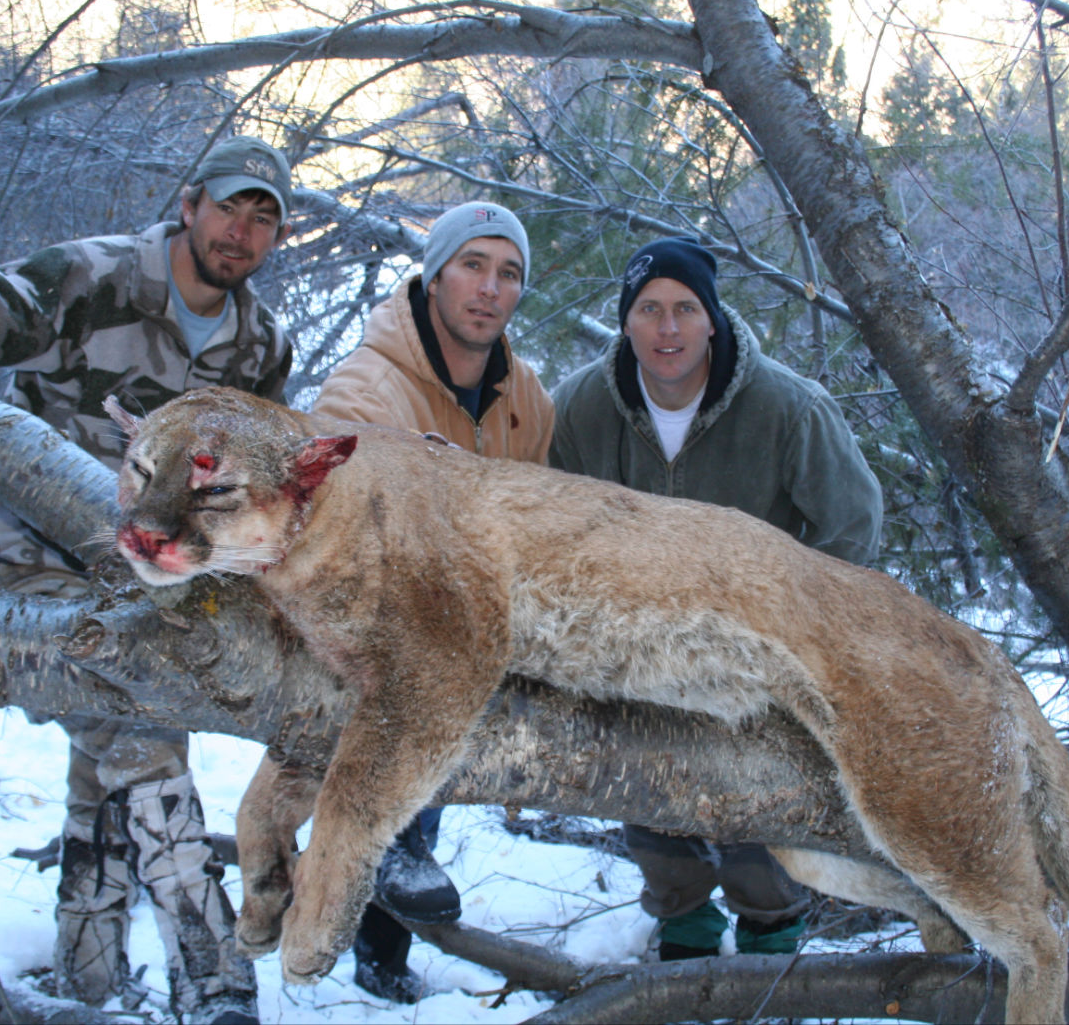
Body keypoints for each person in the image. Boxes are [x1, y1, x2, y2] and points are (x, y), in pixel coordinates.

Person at [0, 135, 298, 1025]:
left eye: (262, 219)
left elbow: (259, 474)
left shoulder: (262, 346)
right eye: (228, 207)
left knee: (112, 750)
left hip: (152, 584)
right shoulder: (95, 274)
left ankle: (87, 973)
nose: (240, 232)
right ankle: (213, 972)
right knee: (140, 726)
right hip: (35, 561)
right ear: (189, 204)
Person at [548, 236, 882, 961]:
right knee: (648, 791)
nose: (667, 328)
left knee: (760, 807)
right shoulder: (578, 408)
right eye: (648, 309)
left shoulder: (788, 408)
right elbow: (549, 526)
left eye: (685, 308)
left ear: (712, 318)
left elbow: (852, 523)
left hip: (753, 658)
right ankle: (685, 931)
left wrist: (789, 631)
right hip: (633, 653)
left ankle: (771, 937)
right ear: (625, 320)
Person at [311, 201, 553, 1001]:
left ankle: (381, 946)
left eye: (508, 273)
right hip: (368, 609)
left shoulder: (525, 398)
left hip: (472, 615)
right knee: (427, 660)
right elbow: (343, 542)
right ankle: (366, 882)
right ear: (435, 275)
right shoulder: (366, 387)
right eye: (472, 265)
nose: (489, 288)